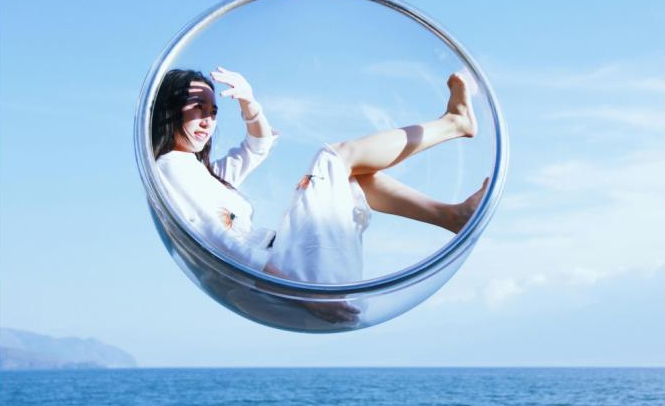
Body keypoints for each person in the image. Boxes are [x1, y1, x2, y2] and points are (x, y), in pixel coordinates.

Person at [152, 67, 487, 322]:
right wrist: (306, 295)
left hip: (288, 279)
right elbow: (223, 245)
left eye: (213, 111)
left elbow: (257, 145)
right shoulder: (172, 168)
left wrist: (249, 103)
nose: (208, 120)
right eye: (198, 106)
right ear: (170, 109)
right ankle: (453, 123)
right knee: (334, 157)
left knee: (349, 176)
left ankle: (452, 216)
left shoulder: (201, 173)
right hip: (286, 281)